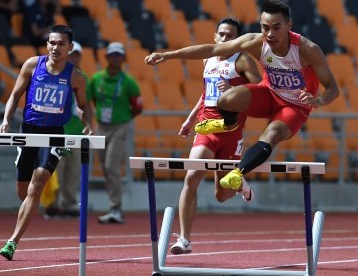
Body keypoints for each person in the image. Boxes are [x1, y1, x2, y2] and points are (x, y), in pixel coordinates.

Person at [145, 0, 339, 199]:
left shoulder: (307, 49)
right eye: (265, 28)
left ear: (288, 26)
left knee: (271, 134)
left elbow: (333, 88)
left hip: (294, 105)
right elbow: (212, 50)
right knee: (226, 99)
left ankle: (238, 174)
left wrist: (319, 101)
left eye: (276, 28)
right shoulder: (255, 41)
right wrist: (168, 55)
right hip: (269, 94)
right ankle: (228, 123)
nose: (270, 34)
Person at [0, 25, 92, 261]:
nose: (55, 48)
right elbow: (15, 94)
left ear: (70, 48)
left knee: (37, 183)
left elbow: (83, 106)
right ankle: (30, 205)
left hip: (55, 134)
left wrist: (88, 122)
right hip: (29, 131)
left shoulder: (76, 76)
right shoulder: (32, 65)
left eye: (61, 44)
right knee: (24, 191)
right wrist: (6, 120)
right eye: (52, 43)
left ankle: (12, 242)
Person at [169, 17, 262, 255]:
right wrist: (191, 119)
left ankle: (239, 182)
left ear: (238, 40)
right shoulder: (208, 59)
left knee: (221, 194)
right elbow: (205, 93)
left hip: (231, 132)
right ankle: (185, 239)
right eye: (221, 34)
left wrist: (233, 92)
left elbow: (261, 93)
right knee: (191, 178)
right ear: (214, 37)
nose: (224, 39)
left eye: (230, 36)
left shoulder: (242, 61)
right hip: (206, 129)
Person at [88, 42, 143, 224]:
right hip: (101, 126)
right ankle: (114, 207)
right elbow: (90, 100)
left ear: (123, 59)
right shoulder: (96, 79)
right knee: (104, 166)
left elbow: (137, 107)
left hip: (120, 127)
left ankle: (116, 207)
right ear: (106, 57)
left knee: (111, 165)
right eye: (112, 55)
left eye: (118, 55)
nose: (115, 58)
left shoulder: (128, 82)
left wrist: (124, 118)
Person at [44, 41, 89, 218]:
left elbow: (87, 105)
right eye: (72, 54)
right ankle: (52, 205)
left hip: (77, 132)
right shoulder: (56, 75)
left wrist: (90, 126)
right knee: (55, 169)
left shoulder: (83, 78)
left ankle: (70, 204)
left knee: (73, 171)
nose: (74, 58)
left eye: (77, 55)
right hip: (59, 131)